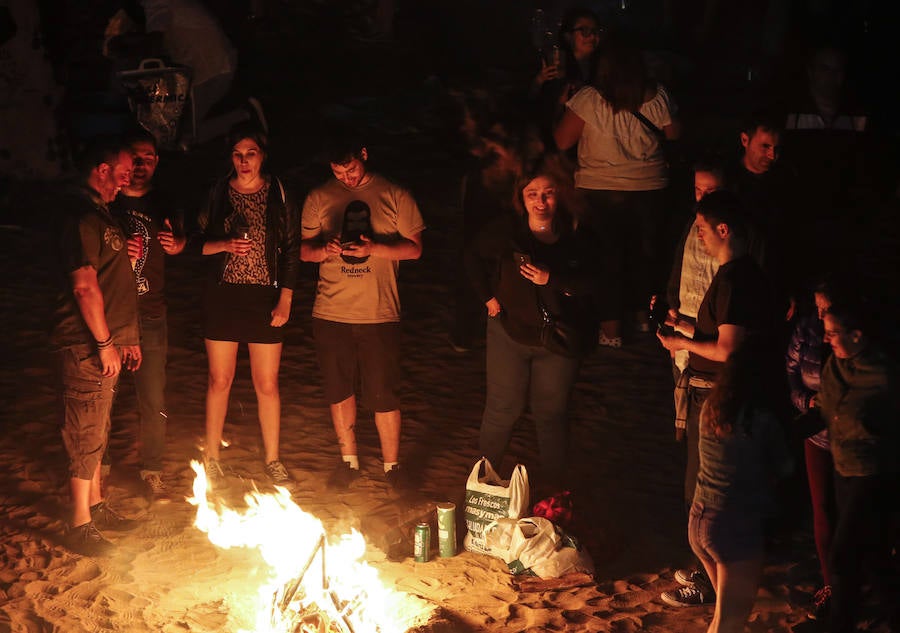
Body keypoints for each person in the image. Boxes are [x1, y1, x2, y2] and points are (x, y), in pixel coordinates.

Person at [657, 190, 778, 607]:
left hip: (720, 398)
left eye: (704, 230)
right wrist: (686, 326)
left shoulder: (735, 278)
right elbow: (724, 331)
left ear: (723, 229)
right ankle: (718, 584)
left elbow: (728, 348)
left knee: (707, 496)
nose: (701, 238)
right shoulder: (740, 275)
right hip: (723, 395)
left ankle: (717, 589)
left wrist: (680, 343)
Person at [464, 151, 597, 493]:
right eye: (532, 194)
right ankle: (483, 487)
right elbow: (472, 256)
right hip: (510, 333)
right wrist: (488, 299)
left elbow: (595, 284)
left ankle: (555, 494)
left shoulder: (577, 234)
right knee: (501, 409)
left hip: (558, 339)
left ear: (560, 194)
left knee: (550, 415)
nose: (540, 201)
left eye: (548, 193)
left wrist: (551, 278)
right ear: (521, 198)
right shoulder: (507, 232)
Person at [300, 132, 425, 491]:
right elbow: (303, 251)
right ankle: (348, 462)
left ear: (364, 155)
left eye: (351, 169)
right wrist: (326, 248)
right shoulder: (320, 197)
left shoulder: (395, 194)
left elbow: (414, 249)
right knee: (339, 390)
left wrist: (375, 247)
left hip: (379, 311)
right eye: (339, 172)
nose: (347, 179)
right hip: (331, 311)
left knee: (383, 392)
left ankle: (392, 466)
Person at [555, 37, 680, 346]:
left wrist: (561, 106)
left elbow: (561, 141)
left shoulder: (589, 99)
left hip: (599, 189)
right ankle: (641, 318)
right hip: (649, 188)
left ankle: (611, 330)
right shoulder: (657, 96)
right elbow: (675, 134)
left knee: (605, 258)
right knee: (643, 255)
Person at [194, 122, 299, 486]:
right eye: (237, 155)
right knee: (219, 379)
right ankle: (211, 458)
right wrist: (223, 244)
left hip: (264, 297)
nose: (243, 161)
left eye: (250, 153)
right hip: (222, 296)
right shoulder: (218, 192)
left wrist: (285, 297)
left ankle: (272, 459)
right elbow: (196, 244)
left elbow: (290, 249)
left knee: (266, 383)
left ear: (262, 156)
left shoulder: (278, 193)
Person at [51, 135, 141, 556]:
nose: (124, 184)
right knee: (84, 431)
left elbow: (109, 277)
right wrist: (104, 342)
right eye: (121, 175)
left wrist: (124, 339)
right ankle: (79, 525)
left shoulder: (99, 214)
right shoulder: (78, 216)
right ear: (102, 169)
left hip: (107, 343)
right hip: (84, 343)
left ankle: (96, 504)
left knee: (99, 429)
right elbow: (85, 287)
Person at [689, 342, 794, 633]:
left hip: (699, 520)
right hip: (733, 527)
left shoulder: (712, 407)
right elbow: (784, 467)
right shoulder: (760, 419)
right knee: (729, 623)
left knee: (725, 619)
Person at [109, 128, 185, 502]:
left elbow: (180, 240)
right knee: (105, 395)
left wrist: (177, 244)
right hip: (111, 313)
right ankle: (99, 470)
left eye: (149, 158)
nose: (141, 165)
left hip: (151, 312)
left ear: (157, 162)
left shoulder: (165, 201)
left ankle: (152, 469)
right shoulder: (108, 201)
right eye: (135, 158)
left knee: (153, 398)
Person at [816, 300, 900, 632]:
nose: (827, 340)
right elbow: (823, 406)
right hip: (843, 469)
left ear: (857, 335)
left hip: (874, 474)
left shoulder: (885, 374)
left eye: (833, 333)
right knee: (875, 556)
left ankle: (841, 624)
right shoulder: (834, 366)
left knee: (843, 556)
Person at [785, 280, 834, 620]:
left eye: (826, 308)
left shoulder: (849, 341)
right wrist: (805, 402)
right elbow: (791, 372)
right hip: (817, 437)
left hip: (853, 443)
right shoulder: (808, 331)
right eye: (816, 307)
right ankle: (831, 584)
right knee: (823, 512)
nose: (820, 315)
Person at [530, 7, 602, 144]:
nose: (592, 36)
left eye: (595, 31)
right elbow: (533, 104)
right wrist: (539, 81)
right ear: (568, 36)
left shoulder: (602, 66)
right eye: (585, 31)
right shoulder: (556, 63)